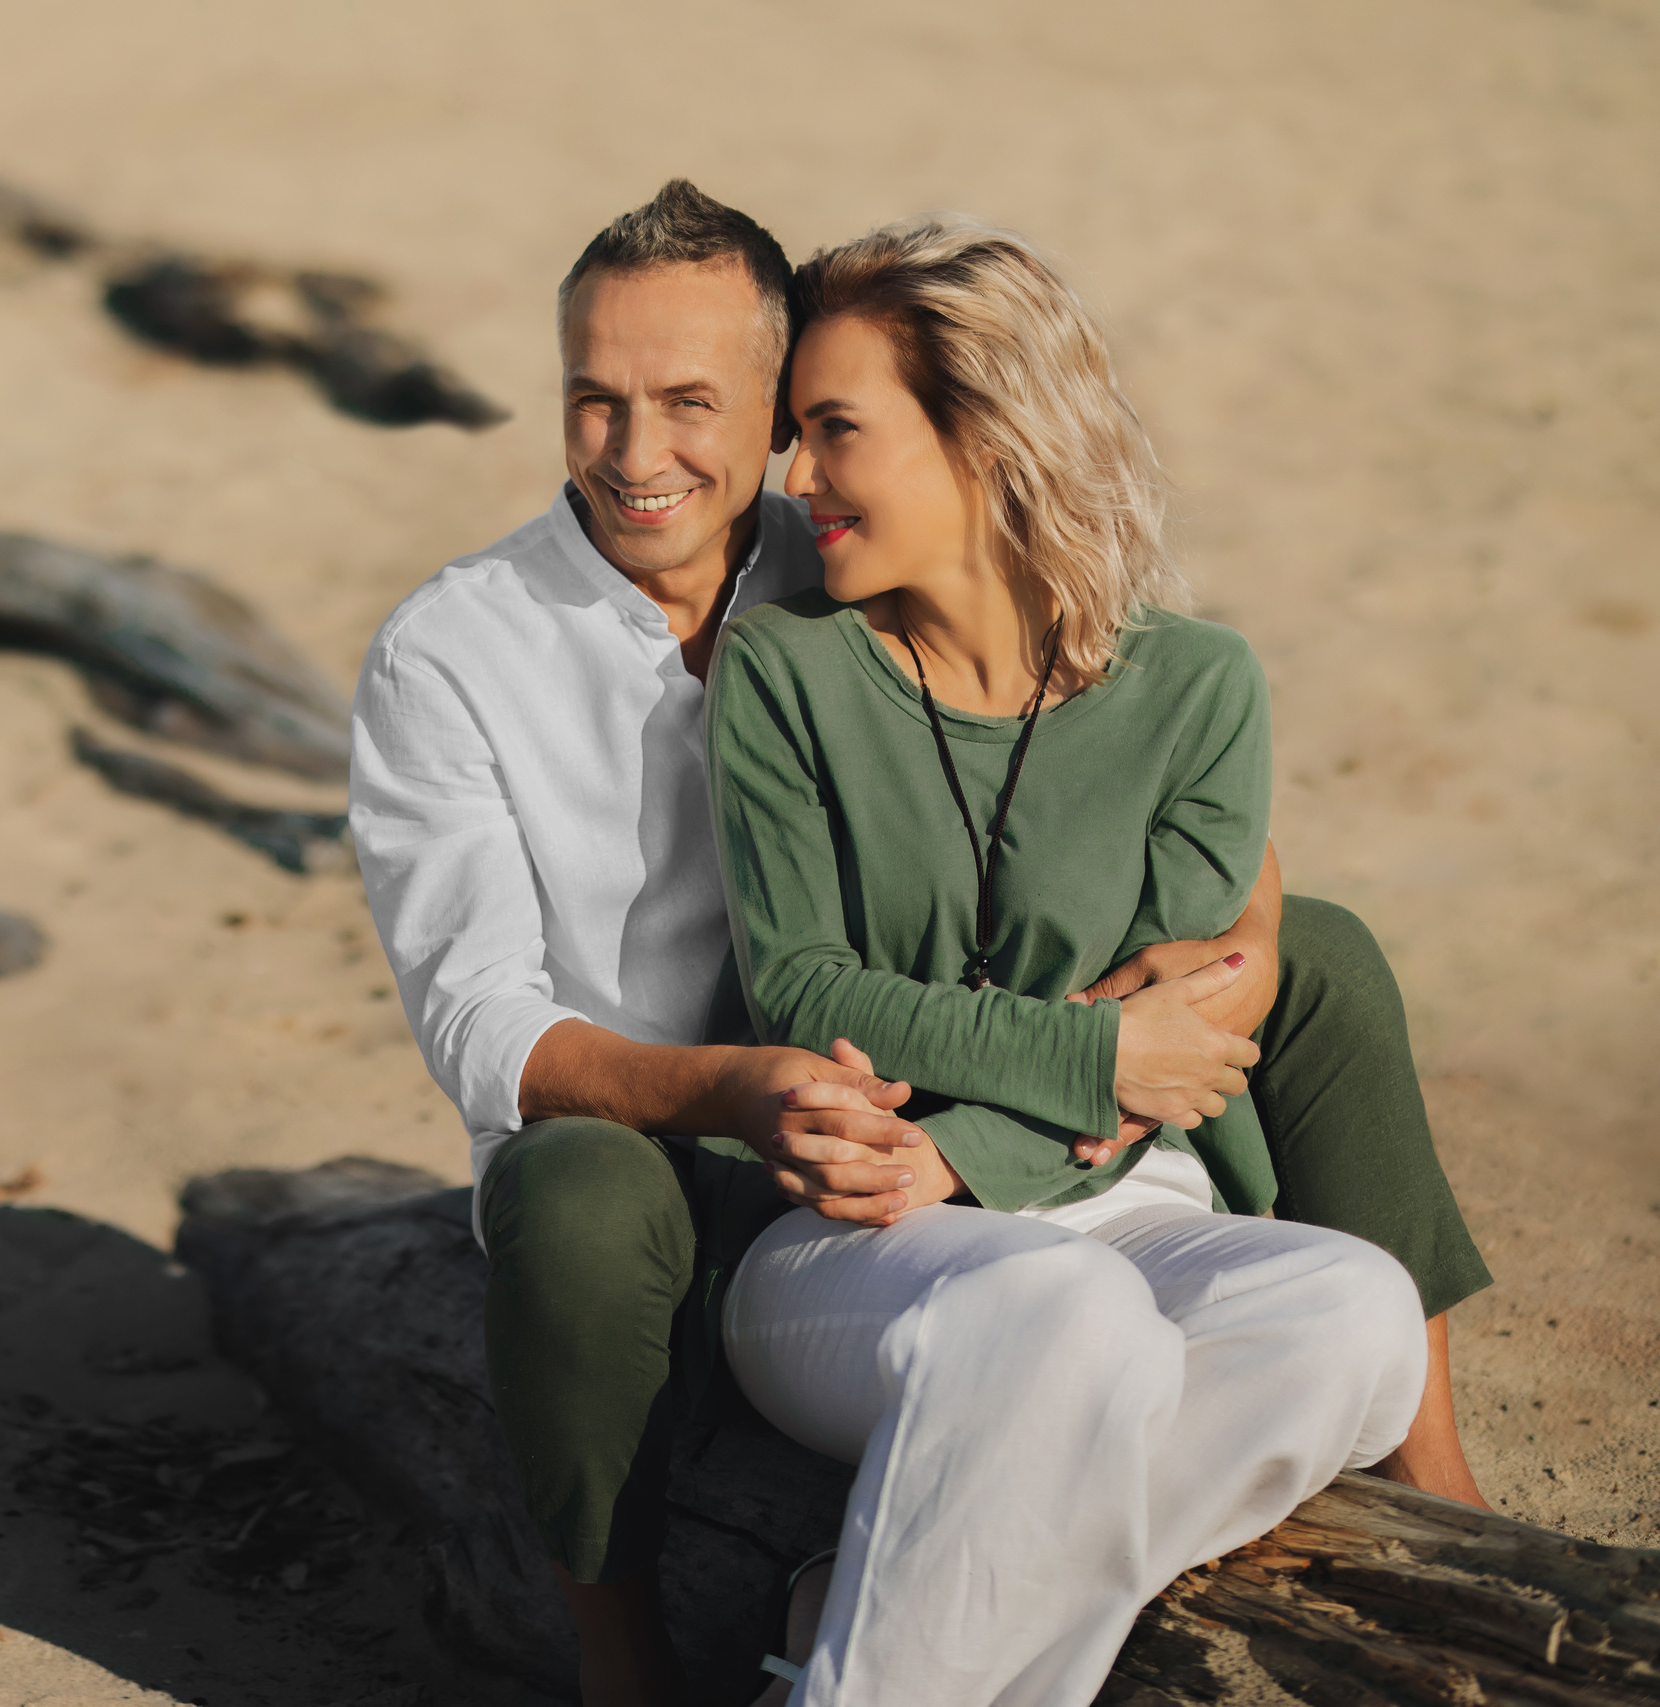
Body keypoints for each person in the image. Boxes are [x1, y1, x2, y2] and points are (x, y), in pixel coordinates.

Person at [346, 181, 1492, 1707]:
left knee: (1326, 1002)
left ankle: (1400, 1487)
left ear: (766, 411)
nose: (638, 456)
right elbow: (485, 1020)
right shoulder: (468, 651)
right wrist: (741, 1090)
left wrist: (1250, 929)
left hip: (948, 1131)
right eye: (593, 403)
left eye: (693, 404)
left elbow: (1133, 762)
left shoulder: (828, 555)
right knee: (577, 1190)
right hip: (687, 1147)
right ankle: (625, 1664)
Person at [708, 214, 1433, 1707]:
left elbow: (1193, 1033)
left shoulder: (1198, 687)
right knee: (1059, 1317)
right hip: (861, 1239)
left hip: (1129, 1213)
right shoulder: (785, 673)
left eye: (834, 431)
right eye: (794, 436)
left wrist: (969, 1141)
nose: (793, 479)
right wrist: (1091, 1063)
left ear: (986, 438)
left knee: (1353, 1313)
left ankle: (858, 1619)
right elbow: (810, 991)